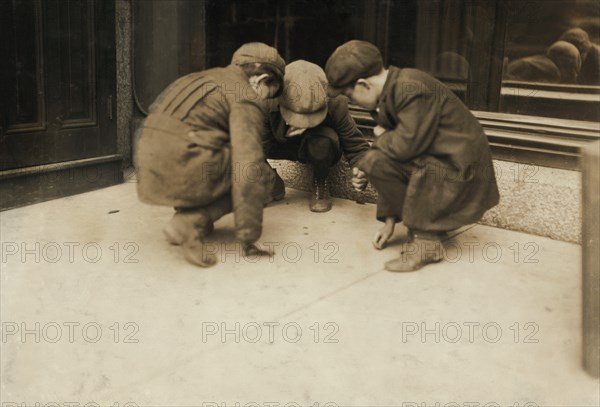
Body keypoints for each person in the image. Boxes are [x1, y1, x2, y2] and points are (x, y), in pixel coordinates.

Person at [324, 40, 500, 272]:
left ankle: (427, 242)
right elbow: (390, 150)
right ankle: (427, 225)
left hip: (460, 169)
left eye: (351, 96)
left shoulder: (411, 87)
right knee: (377, 161)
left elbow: (407, 147)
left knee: (386, 160)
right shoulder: (392, 92)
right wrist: (388, 222)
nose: (353, 103)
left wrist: (379, 141)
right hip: (444, 159)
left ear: (363, 84)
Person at [135, 42, 285, 267]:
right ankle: (190, 222)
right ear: (261, 80)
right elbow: (248, 166)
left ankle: (189, 210)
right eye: (268, 95)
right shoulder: (245, 95)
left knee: (214, 144)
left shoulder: (201, 77)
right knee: (258, 173)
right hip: (183, 160)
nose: (264, 101)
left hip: (147, 164)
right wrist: (249, 237)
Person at [263, 60, 369, 212]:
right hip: (278, 143)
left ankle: (320, 181)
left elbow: (356, 146)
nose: (303, 123)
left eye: (311, 115)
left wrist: (362, 169)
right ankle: (272, 181)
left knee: (324, 140)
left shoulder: (336, 102)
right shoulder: (266, 99)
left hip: (314, 146)